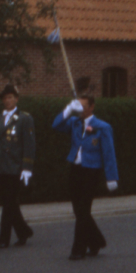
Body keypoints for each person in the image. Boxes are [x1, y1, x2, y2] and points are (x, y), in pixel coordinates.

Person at [52, 95, 119, 260]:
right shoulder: (74, 122)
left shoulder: (102, 127)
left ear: (92, 107)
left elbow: (108, 153)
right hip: (76, 168)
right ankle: (96, 241)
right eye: (78, 106)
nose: (80, 109)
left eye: (83, 106)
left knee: (83, 209)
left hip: (92, 170)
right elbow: (56, 125)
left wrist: (111, 177)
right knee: (78, 210)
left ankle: (78, 249)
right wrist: (67, 110)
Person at [0, 84, 36, 249]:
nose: (7, 101)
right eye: (5, 98)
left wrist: (27, 168)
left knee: (8, 204)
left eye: (10, 97)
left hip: (15, 167)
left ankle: (3, 239)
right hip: (1, 166)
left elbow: (29, 145)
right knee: (9, 202)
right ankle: (23, 231)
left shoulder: (24, 118)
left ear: (16, 99)